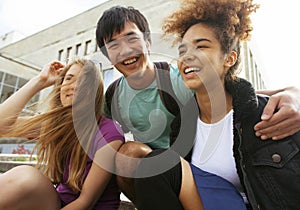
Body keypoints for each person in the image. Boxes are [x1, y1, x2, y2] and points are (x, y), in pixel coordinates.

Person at [95, 5, 300, 205]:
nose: (125, 51)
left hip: (194, 173)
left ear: (148, 42)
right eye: (113, 45)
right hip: (164, 176)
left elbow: (232, 95)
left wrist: (292, 93)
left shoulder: (179, 80)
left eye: (132, 39)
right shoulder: (113, 96)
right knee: (127, 155)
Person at [0, 58, 125, 210]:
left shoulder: (109, 132)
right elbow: (2, 126)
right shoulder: (56, 124)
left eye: (84, 80)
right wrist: (39, 81)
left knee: (26, 176)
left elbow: (86, 202)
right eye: (69, 79)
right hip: (57, 202)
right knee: (21, 177)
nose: (74, 86)